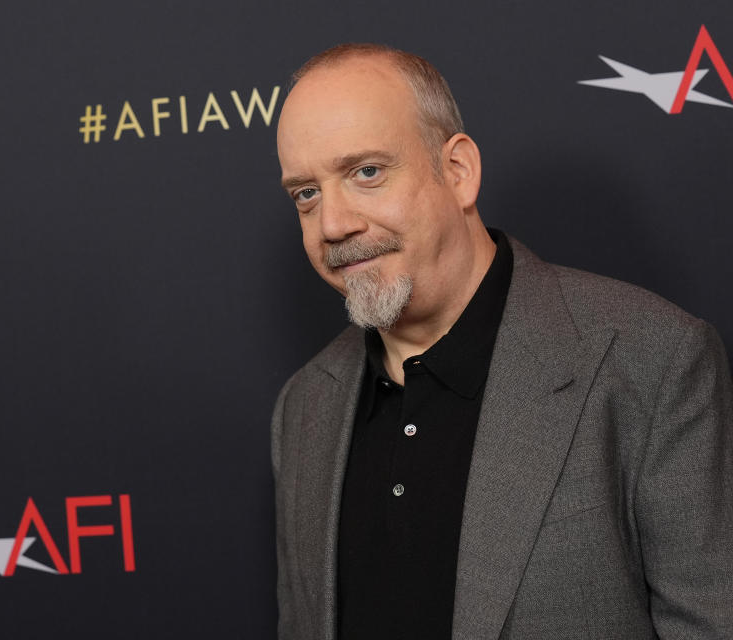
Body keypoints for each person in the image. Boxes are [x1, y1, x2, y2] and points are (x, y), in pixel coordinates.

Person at [271, 43, 733, 640]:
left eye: (367, 172)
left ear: (458, 172)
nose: (333, 224)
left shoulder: (653, 360)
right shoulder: (304, 406)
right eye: (306, 193)